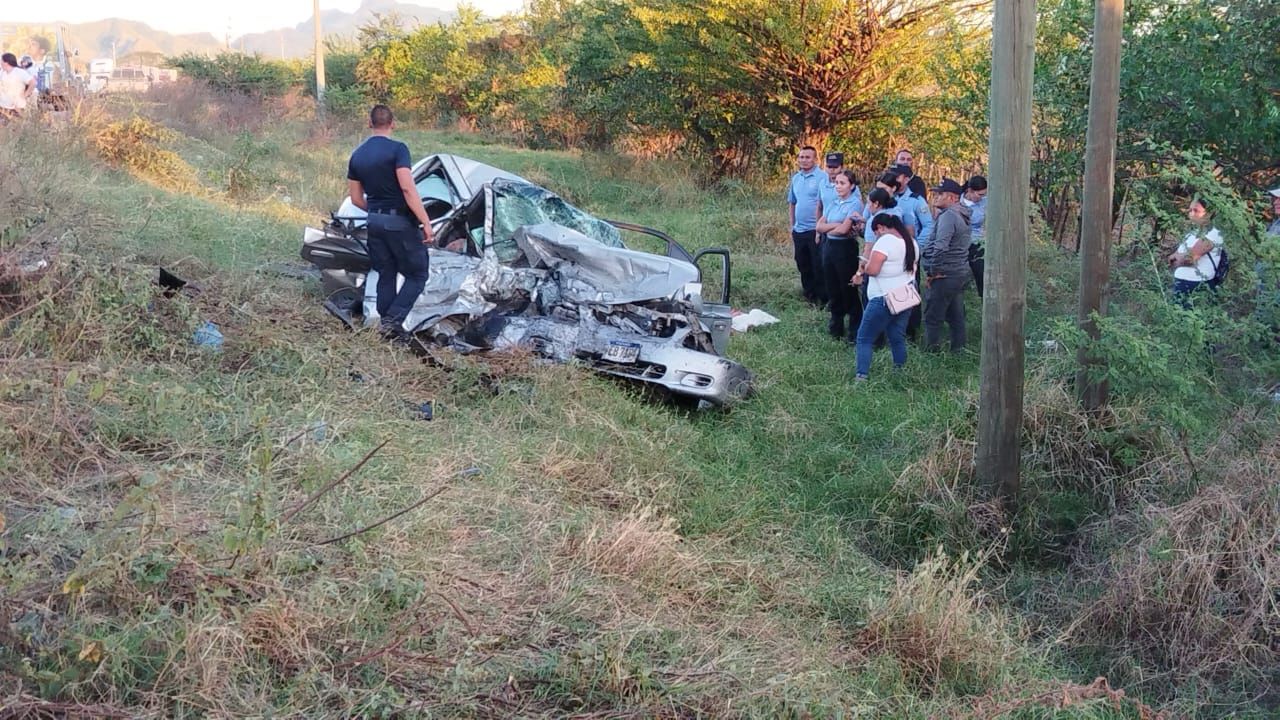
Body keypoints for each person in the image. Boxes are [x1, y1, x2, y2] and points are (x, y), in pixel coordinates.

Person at [346, 104, 434, 339]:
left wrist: (377, 212)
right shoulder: (398, 150)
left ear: (370, 123)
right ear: (393, 123)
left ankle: (388, 327)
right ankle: (392, 322)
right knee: (418, 274)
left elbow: (356, 199)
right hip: (399, 222)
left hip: (374, 221)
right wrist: (425, 222)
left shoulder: (357, 155)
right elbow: (407, 187)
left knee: (386, 272)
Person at [852, 213, 920, 380]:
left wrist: (864, 267)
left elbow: (873, 270)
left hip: (883, 297)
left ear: (881, 228)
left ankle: (861, 376)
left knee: (864, 337)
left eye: (876, 232)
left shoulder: (886, 241)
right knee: (897, 337)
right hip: (904, 296)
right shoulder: (911, 242)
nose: (876, 236)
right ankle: (899, 372)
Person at [920, 178, 973, 352]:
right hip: (957, 272)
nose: (936, 197)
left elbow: (941, 247)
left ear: (952, 197)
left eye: (940, 194)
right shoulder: (961, 214)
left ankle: (931, 353)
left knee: (932, 317)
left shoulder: (949, 216)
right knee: (956, 316)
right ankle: (959, 350)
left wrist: (933, 272)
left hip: (945, 274)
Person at [816, 170, 864, 341]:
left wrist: (832, 227)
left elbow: (844, 230)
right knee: (832, 286)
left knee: (847, 287)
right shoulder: (833, 202)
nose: (838, 186)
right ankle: (836, 326)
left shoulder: (855, 203)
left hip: (845, 249)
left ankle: (854, 329)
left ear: (852, 186)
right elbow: (819, 226)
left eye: (842, 183)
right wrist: (836, 225)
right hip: (829, 246)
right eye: (836, 183)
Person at [1167, 197, 1225, 307]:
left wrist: (1179, 259)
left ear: (1209, 213)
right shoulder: (1192, 234)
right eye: (1190, 210)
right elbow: (1173, 256)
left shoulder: (1213, 234)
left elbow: (1189, 258)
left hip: (1197, 285)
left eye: (1196, 211)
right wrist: (1179, 258)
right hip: (1181, 283)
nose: (1192, 214)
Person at [788, 145, 825, 305]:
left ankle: (822, 299)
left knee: (817, 264)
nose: (804, 160)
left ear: (815, 159)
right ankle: (809, 296)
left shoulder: (822, 177)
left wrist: (820, 228)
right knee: (802, 263)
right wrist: (792, 225)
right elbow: (792, 202)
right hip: (799, 230)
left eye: (807, 157)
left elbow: (825, 203)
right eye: (801, 157)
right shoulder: (796, 178)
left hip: (815, 230)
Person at [962, 175, 988, 296]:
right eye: (980, 194)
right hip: (960, 244)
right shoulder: (957, 202)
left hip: (977, 243)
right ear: (970, 191)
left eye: (984, 194)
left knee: (982, 274)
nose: (982, 197)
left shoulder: (985, 203)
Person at [0, 53, 35, 120]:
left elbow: (33, 82)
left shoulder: (19, 72)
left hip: (16, 108)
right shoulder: (2, 72)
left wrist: (25, 95)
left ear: (6, 63)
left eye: (1, 61)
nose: (0, 62)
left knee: (17, 125)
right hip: (3, 107)